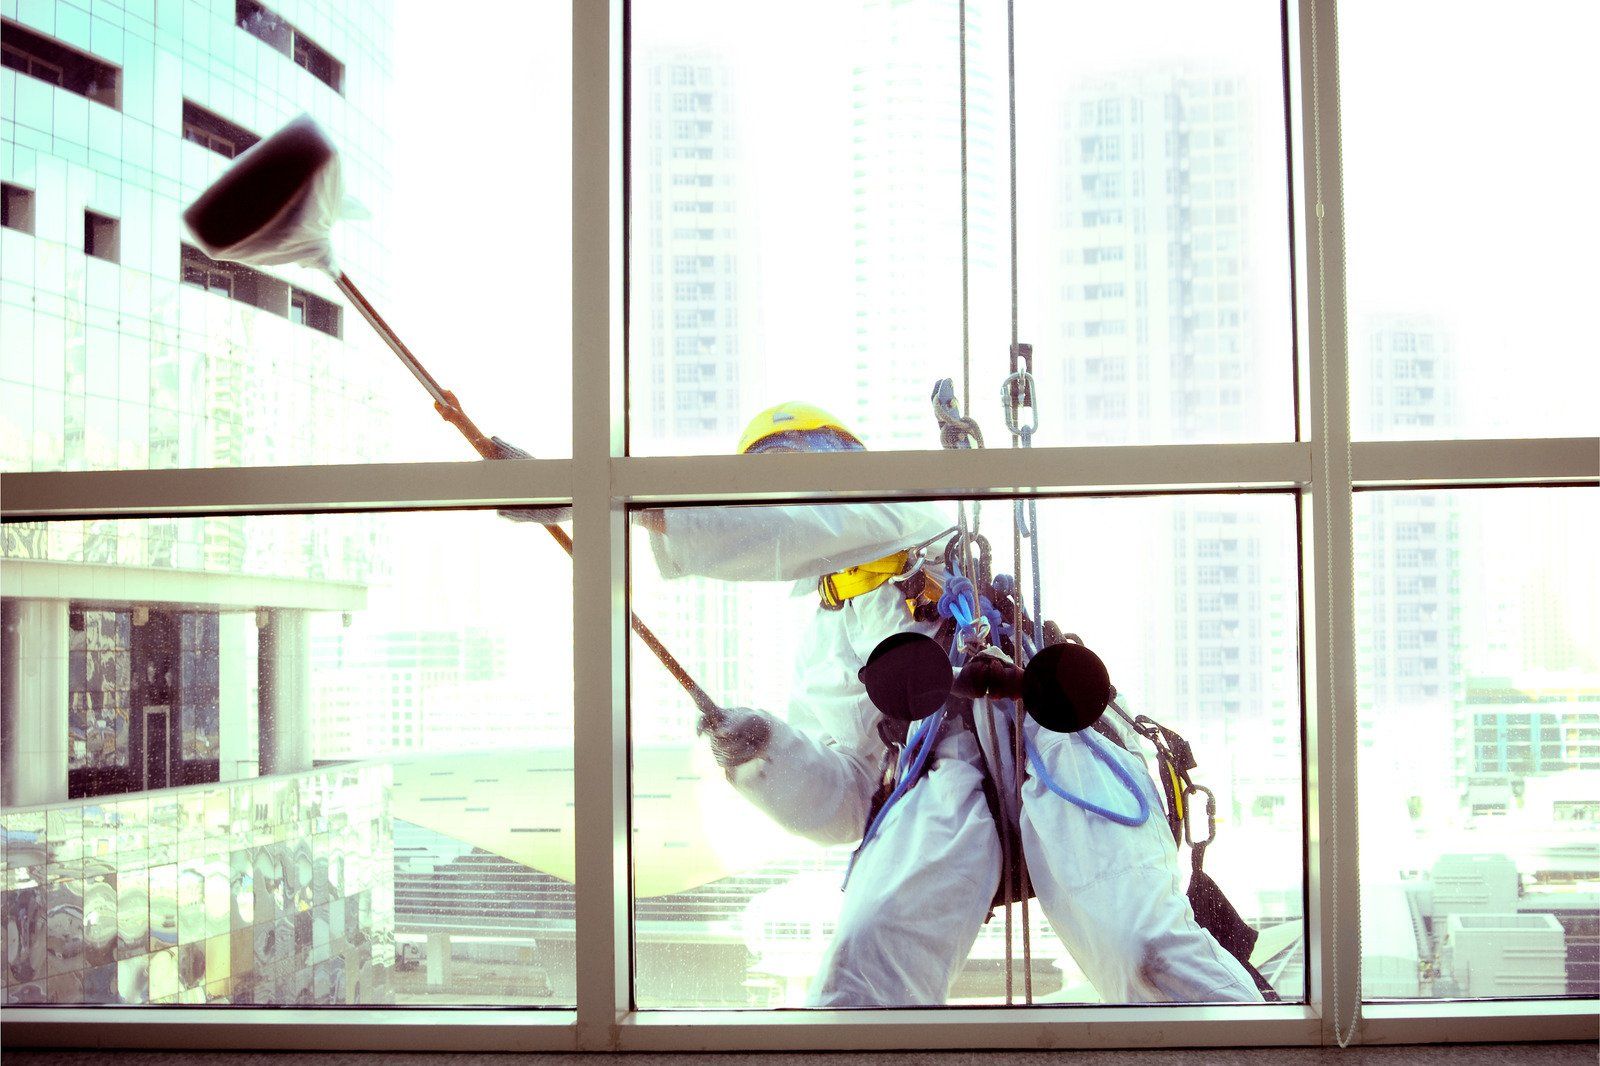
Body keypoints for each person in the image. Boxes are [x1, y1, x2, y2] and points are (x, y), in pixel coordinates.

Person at [644, 401, 1264, 1007]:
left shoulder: (901, 517)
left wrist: (653, 507)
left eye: (808, 465)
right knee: (863, 965)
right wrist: (768, 756)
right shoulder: (830, 633)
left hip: (1053, 740)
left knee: (1145, 951)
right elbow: (849, 798)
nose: (803, 483)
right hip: (940, 779)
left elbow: (804, 522)